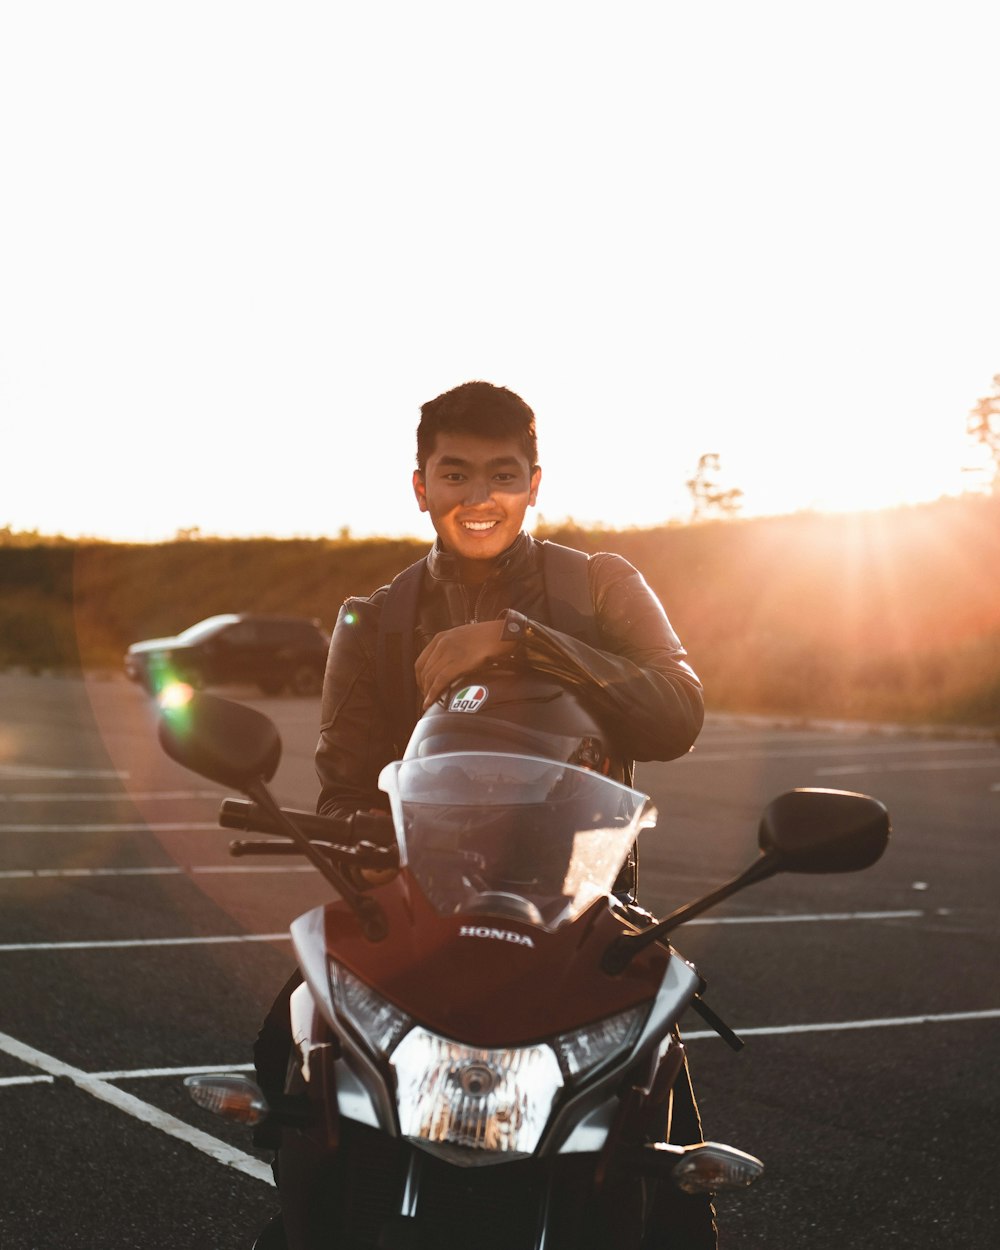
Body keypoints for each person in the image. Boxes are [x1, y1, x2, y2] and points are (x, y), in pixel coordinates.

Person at [254, 380, 714, 1247]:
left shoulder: (601, 586)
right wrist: (369, 847)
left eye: (502, 475)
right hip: (420, 917)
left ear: (535, 483)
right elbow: (348, 784)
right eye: (455, 474)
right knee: (291, 1070)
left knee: (666, 1171)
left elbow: (677, 712)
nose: (479, 498)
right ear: (420, 484)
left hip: (582, 922)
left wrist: (521, 638)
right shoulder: (376, 618)